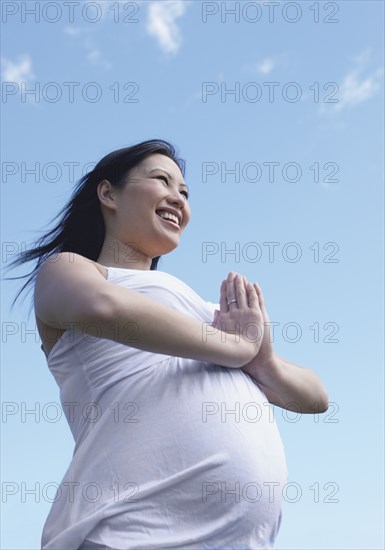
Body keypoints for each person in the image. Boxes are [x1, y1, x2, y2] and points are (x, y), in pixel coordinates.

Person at [6, 139, 329, 550]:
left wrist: (263, 362)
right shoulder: (72, 269)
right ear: (108, 194)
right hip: (125, 533)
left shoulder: (208, 313)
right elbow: (102, 308)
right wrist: (236, 348)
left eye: (185, 192)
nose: (178, 198)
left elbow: (315, 397)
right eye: (163, 181)